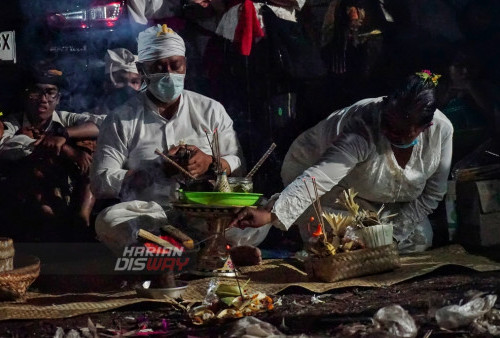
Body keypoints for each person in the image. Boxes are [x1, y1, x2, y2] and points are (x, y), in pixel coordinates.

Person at [90, 24, 268, 256]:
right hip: (153, 213)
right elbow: (100, 181)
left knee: (260, 216)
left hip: (206, 213)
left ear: (185, 65)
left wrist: (211, 163)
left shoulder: (211, 110)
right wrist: (155, 171)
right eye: (159, 67)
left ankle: (175, 251)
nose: (169, 73)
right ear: (143, 69)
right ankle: (209, 250)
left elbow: (238, 166)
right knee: (109, 220)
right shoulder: (121, 119)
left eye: (176, 65)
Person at [231, 71, 454, 253]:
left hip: (387, 199)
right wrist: (274, 213)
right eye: (387, 124)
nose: (390, 133)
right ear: (385, 106)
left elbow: (433, 193)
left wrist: (394, 235)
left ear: (427, 127)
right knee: (339, 242)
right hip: (334, 188)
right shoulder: (362, 127)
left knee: (419, 240)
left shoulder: (442, 132)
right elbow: (322, 176)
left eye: (402, 132)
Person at [0, 63, 105, 239]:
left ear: (57, 98)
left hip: (70, 189)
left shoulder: (66, 119)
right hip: (28, 197)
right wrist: (64, 148)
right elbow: (4, 146)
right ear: (26, 96)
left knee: (89, 144)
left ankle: (82, 217)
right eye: (36, 92)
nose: (43, 99)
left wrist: (63, 134)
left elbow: (104, 124)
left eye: (50, 92)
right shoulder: (13, 122)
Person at [92, 48, 142, 116]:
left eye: (134, 82)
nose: (128, 87)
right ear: (106, 85)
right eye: (121, 80)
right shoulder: (92, 119)